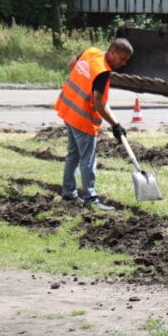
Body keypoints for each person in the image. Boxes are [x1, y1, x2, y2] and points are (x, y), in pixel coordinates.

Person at [54, 38, 134, 211]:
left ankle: (68, 192)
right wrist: (115, 124)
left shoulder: (91, 52)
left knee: (73, 155)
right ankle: (90, 198)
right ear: (112, 52)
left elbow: (71, 64)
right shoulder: (103, 72)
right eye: (122, 59)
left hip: (68, 109)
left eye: (126, 60)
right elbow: (98, 102)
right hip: (83, 118)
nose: (123, 63)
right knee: (88, 160)